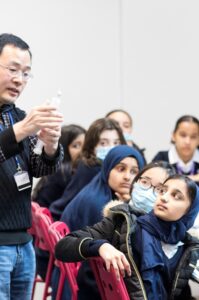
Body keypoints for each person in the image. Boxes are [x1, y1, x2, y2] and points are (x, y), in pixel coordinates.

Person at [55, 174, 199, 300]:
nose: (165, 198)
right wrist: (100, 246)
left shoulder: (187, 247)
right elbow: (63, 246)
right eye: (163, 190)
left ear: (190, 211)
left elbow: (178, 293)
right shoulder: (124, 222)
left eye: (176, 196)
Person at [0, 33, 63, 299]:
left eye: (26, 74)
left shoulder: (18, 116)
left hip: (23, 243)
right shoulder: (21, 123)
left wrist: (50, 145)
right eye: (13, 70)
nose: (19, 80)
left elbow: (38, 169)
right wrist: (22, 130)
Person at [52, 144, 144, 299]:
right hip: (88, 285)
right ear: (107, 169)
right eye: (121, 169)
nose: (128, 176)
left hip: (76, 277)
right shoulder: (99, 203)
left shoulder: (101, 189)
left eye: (134, 172)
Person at [49, 117, 126, 220]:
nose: (112, 148)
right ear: (92, 146)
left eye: (116, 143)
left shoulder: (89, 163)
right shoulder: (92, 168)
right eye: (103, 143)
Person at [32, 124, 86, 207]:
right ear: (62, 148)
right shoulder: (62, 171)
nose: (83, 150)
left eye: (86, 145)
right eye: (76, 146)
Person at [152, 115, 199, 185]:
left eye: (193, 137)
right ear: (173, 135)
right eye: (183, 135)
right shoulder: (161, 158)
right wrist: (193, 178)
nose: (187, 142)